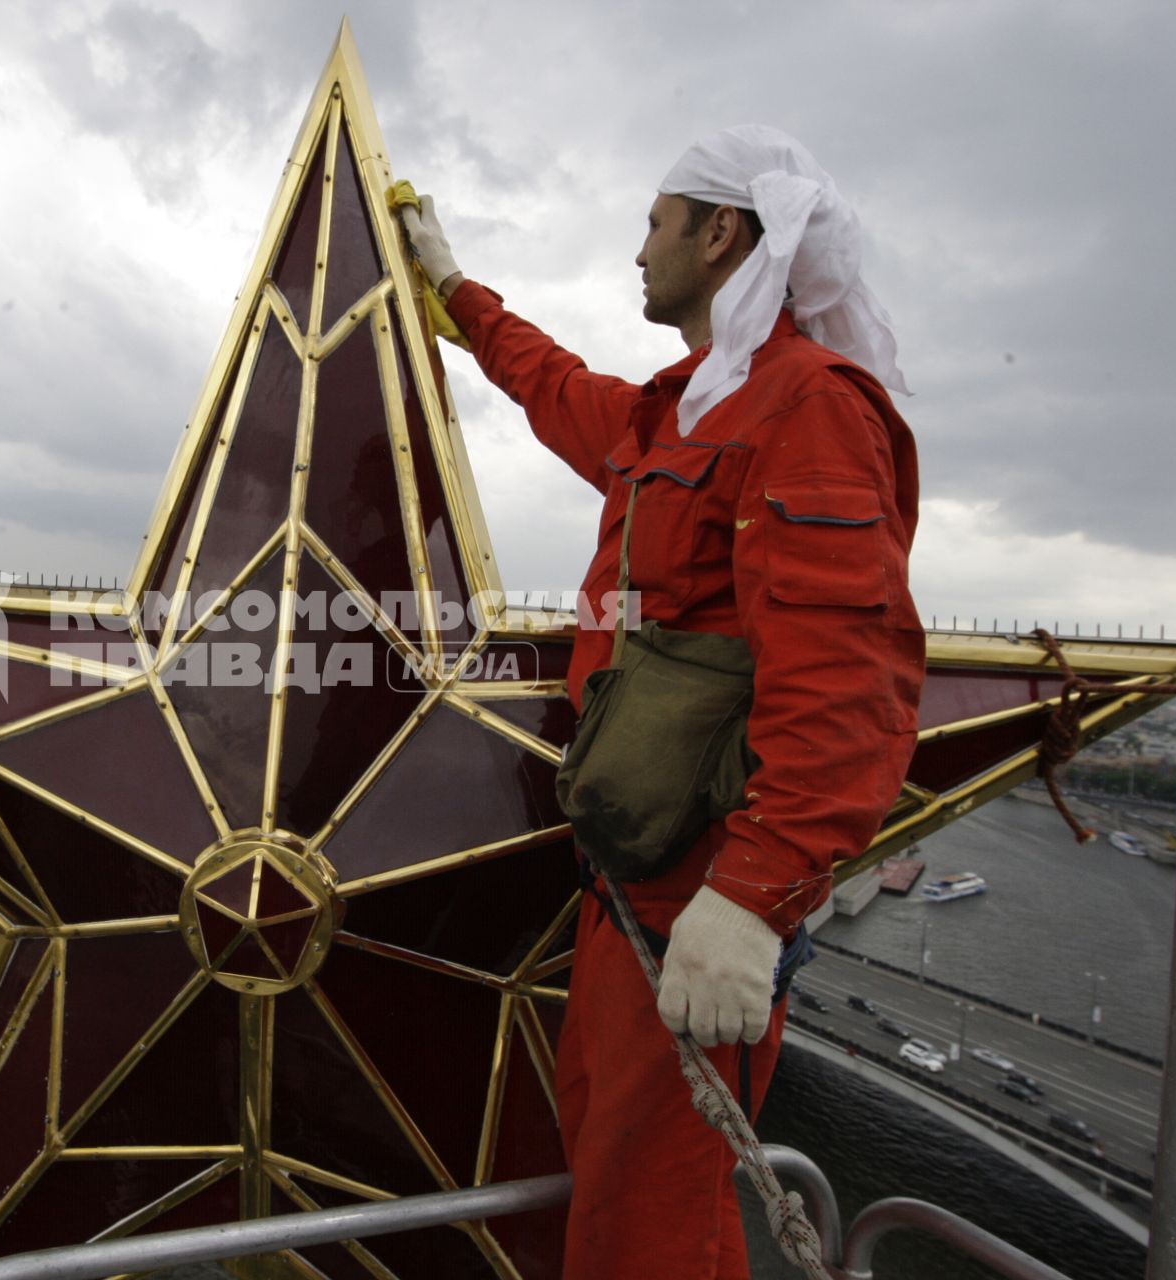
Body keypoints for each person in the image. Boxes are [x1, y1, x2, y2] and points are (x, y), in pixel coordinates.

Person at [400, 126, 924, 1278]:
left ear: (720, 231)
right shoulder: (687, 407)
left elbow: (849, 676)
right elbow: (560, 391)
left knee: (644, 1219)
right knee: (617, 1165)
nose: (640, 252)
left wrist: (752, 896)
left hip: (702, 892)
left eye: (655, 225)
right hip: (630, 890)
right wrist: (455, 290)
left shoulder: (809, 409)